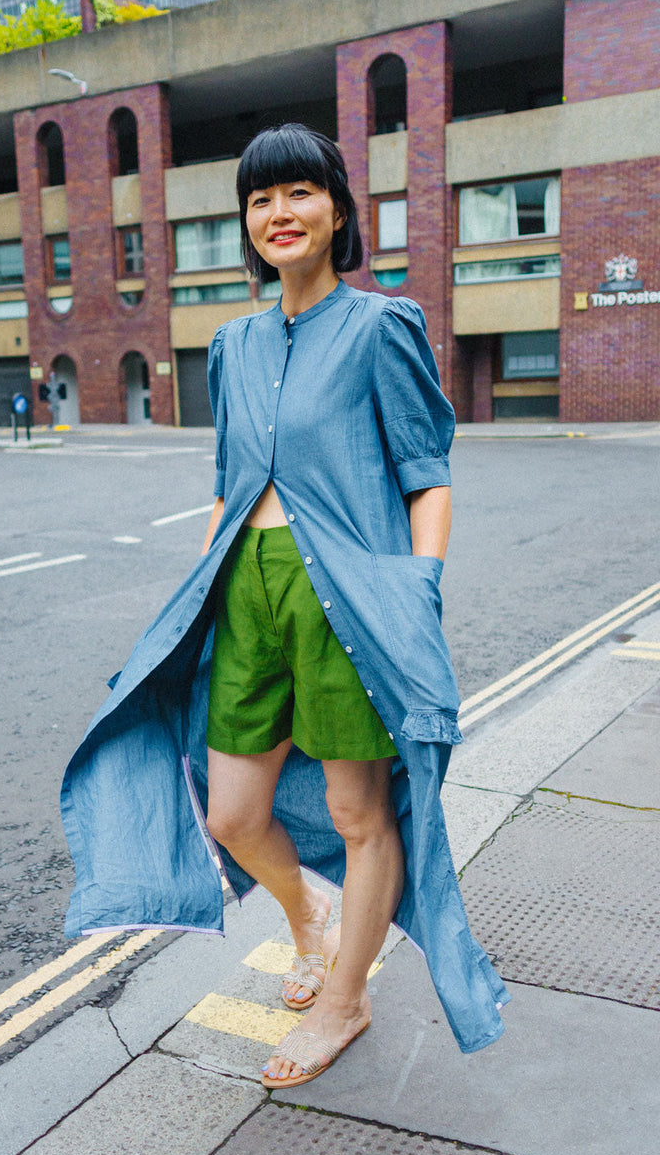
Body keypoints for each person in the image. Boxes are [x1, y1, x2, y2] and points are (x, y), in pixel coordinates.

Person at [60, 123, 509, 1090]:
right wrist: (210, 585)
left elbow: (426, 476)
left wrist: (415, 591)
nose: (279, 214)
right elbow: (230, 479)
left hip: (347, 590)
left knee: (359, 810)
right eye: (261, 200)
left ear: (337, 209)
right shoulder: (232, 345)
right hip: (248, 590)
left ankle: (345, 999)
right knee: (230, 811)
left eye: (298, 193)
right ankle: (310, 920)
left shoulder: (381, 327)